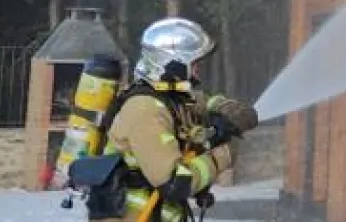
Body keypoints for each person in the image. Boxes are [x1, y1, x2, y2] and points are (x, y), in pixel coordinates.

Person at [101, 17, 259, 222]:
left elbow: (200, 103)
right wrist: (222, 155)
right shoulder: (145, 110)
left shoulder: (169, 98)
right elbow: (176, 183)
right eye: (194, 63)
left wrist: (227, 108)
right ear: (172, 63)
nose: (197, 70)